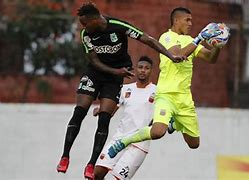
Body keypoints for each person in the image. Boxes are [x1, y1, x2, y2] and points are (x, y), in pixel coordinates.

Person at [56, 2, 184, 180]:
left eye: (85, 23)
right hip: (96, 73)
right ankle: (65, 156)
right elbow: (93, 61)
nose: (83, 28)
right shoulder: (86, 34)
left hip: (115, 78)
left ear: (95, 20)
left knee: (104, 119)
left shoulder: (118, 26)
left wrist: (170, 55)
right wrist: (116, 72)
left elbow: (147, 39)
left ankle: (91, 163)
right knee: (80, 111)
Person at [108, 7, 227, 158]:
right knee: (158, 132)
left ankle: (175, 123)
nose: (191, 23)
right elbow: (178, 54)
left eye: (191, 20)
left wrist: (218, 46)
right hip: (166, 95)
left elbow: (211, 58)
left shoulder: (191, 40)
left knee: (194, 144)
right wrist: (200, 38)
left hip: (184, 98)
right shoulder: (166, 37)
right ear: (176, 20)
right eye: (187, 20)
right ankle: (125, 141)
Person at [94, 56, 156, 180]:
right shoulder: (126, 89)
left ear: (151, 71)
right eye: (140, 67)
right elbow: (112, 109)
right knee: (96, 174)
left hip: (138, 144)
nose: (143, 70)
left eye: (146, 68)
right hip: (119, 138)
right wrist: (102, 110)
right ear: (136, 69)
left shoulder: (157, 91)